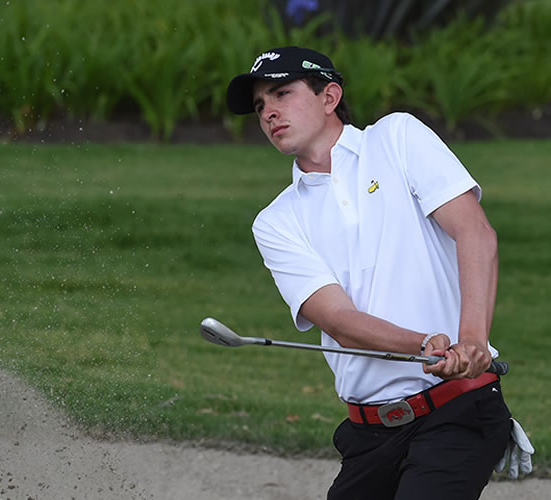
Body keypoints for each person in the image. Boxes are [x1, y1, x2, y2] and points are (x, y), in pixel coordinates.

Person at [225, 46, 534, 499]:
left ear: (329, 96)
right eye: (259, 106)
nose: (269, 112)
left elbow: (475, 233)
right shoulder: (276, 220)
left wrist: (471, 340)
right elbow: (340, 322)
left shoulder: (396, 139)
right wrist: (424, 344)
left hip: (457, 413)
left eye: (282, 94)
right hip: (370, 435)